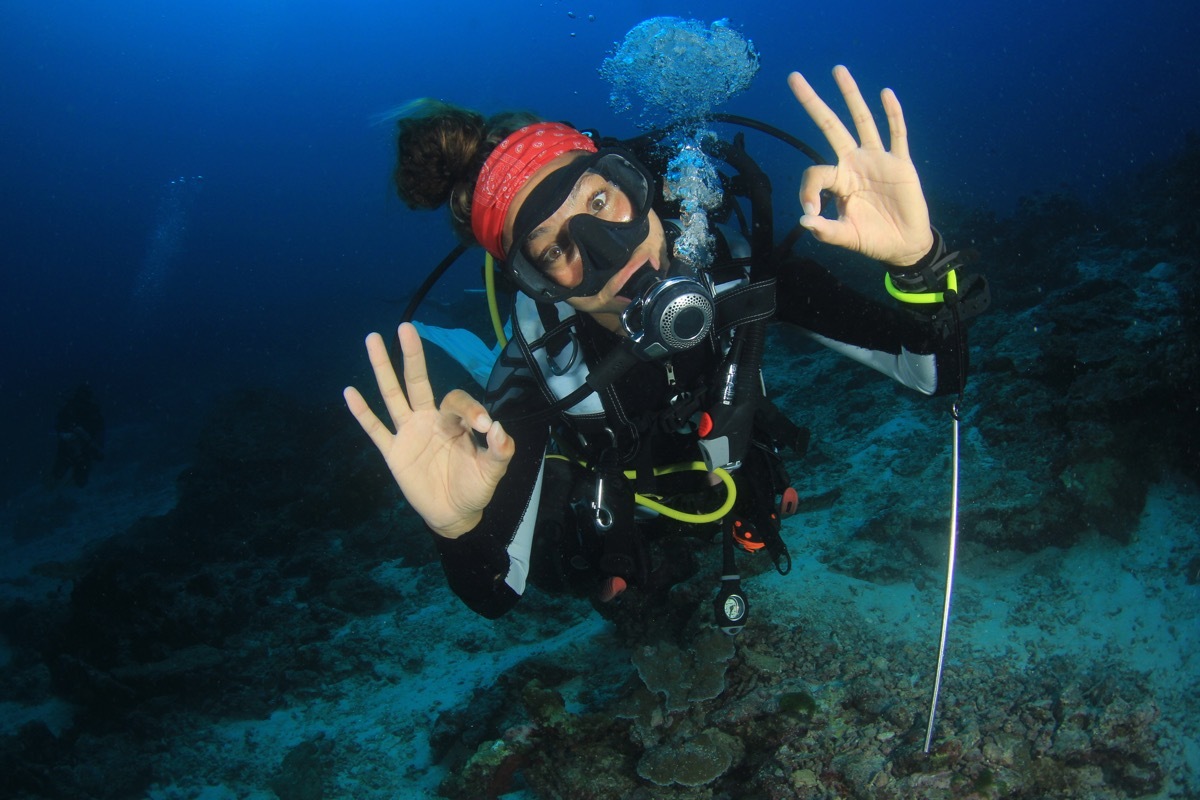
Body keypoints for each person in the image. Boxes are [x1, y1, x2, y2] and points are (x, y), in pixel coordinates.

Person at [344, 66, 988, 626]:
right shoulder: (545, 363)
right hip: (628, 519)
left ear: (636, 181)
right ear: (537, 283)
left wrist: (920, 265)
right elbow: (494, 592)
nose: (609, 254)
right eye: (557, 249)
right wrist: (457, 528)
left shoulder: (739, 273)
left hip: (738, 481)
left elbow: (938, 377)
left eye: (600, 200)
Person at [51, 383, 105, 487]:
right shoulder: (69, 409)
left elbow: (99, 434)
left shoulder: (93, 411)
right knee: (58, 474)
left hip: (84, 448)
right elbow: (57, 426)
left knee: (80, 481)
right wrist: (65, 435)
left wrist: (87, 439)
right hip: (69, 447)